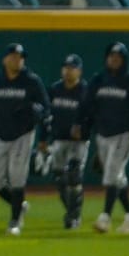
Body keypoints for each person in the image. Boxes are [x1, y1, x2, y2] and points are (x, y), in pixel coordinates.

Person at [0, 42, 50, 235]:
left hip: (23, 135)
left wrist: (42, 130)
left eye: (20, 57)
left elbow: (46, 109)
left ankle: (15, 221)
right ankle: (19, 205)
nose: (17, 60)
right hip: (0, 135)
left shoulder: (31, 81)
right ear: (5, 60)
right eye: (13, 56)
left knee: (16, 177)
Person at [75, 42, 129, 234]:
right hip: (103, 134)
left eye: (118, 57)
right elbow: (87, 106)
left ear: (124, 60)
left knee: (111, 175)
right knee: (117, 176)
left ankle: (105, 217)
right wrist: (80, 125)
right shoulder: (98, 80)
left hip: (125, 134)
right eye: (111, 56)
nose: (114, 59)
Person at [39, 54, 90, 229]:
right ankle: (71, 211)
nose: (68, 71)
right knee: (60, 179)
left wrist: (83, 128)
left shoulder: (86, 91)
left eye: (72, 68)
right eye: (66, 67)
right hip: (58, 140)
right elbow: (45, 116)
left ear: (79, 71)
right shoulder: (54, 89)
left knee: (74, 175)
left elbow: (92, 116)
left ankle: (73, 217)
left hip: (79, 142)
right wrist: (43, 138)